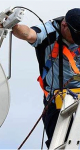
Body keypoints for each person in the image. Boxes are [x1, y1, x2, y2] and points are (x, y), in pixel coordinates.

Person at [11, 8, 80, 148]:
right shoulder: (49, 31)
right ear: (64, 25)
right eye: (74, 37)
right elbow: (29, 33)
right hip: (56, 98)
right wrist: (13, 25)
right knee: (60, 141)